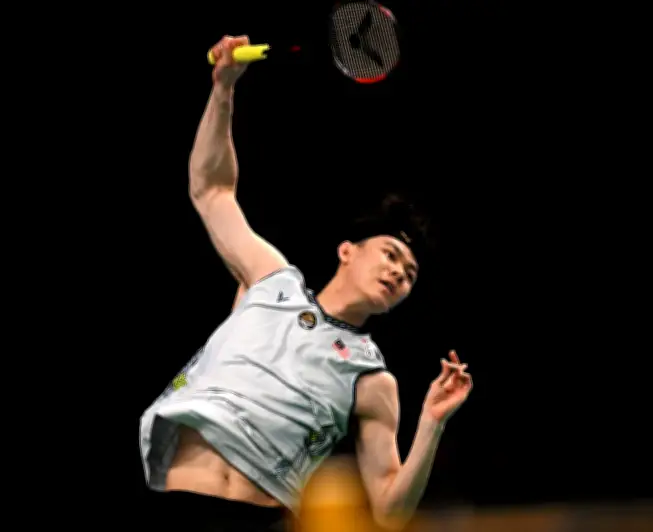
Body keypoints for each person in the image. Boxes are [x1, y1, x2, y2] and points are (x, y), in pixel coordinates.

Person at [139, 35, 473, 532]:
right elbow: (212, 190)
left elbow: (388, 511)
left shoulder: (373, 380)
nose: (398, 273)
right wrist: (223, 89)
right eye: (391, 255)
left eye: (409, 275)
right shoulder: (270, 280)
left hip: (261, 519)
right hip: (174, 497)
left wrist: (432, 423)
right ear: (347, 250)